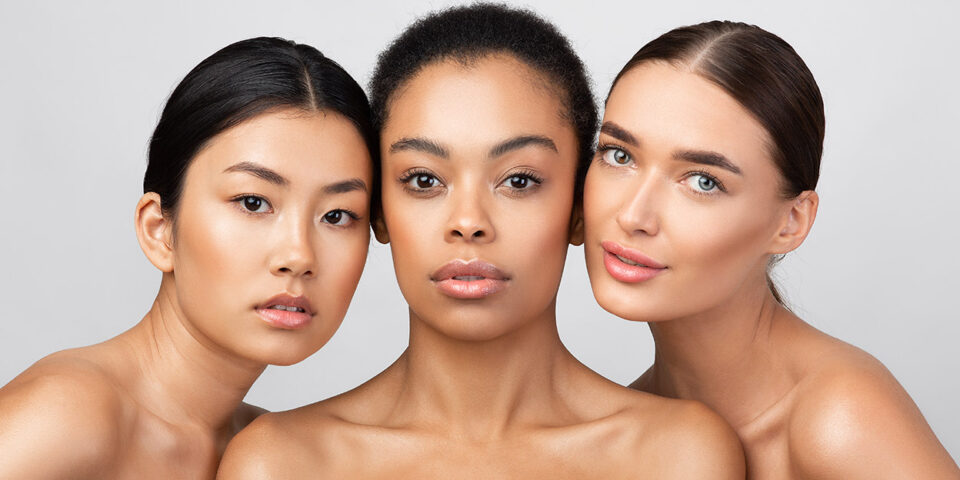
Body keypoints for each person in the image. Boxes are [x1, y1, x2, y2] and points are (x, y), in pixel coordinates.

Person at [218, 5, 744, 479]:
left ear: (581, 210)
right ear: (378, 212)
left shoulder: (679, 455)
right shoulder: (280, 463)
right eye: (424, 181)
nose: (468, 223)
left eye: (518, 180)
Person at [583, 20, 960, 478]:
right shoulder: (632, 430)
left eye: (704, 181)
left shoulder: (840, 422)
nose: (633, 216)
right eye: (619, 155)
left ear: (790, 222)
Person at [0, 37, 377, 479]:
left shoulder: (271, 451)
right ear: (159, 230)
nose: (298, 255)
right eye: (254, 202)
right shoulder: (65, 416)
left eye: (337, 215)